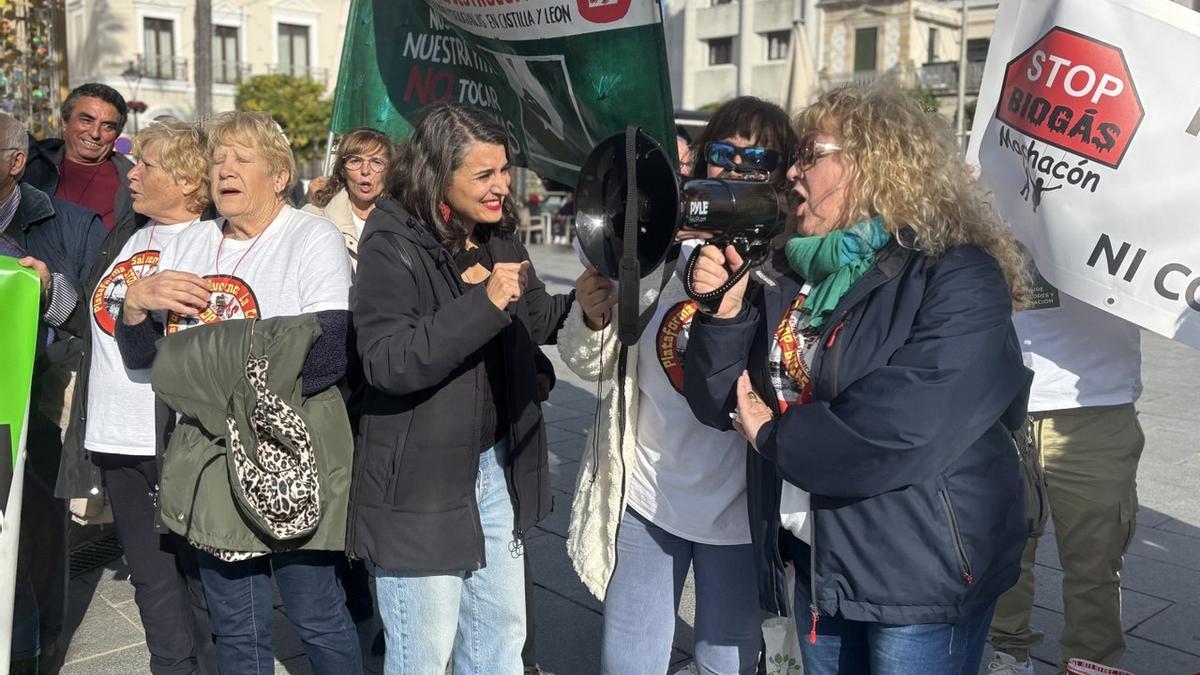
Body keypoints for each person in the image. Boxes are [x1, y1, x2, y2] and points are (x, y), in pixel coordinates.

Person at [683, 82, 1033, 674]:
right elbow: (719, 398)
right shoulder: (789, 266)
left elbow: (900, 424)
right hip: (818, 559)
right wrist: (725, 313)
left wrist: (774, 437)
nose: (793, 172)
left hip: (918, 573)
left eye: (809, 155)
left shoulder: (957, 274)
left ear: (874, 162)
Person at [559, 96, 796, 674]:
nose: (737, 169)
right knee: (629, 658)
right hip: (648, 496)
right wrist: (592, 318)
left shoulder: (788, 270)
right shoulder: (654, 253)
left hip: (740, 512)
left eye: (758, 158)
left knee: (726, 659)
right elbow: (587, 361)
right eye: (724, 153)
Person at [117, 110, 358, 675]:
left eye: (241, 159)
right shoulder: (190, 243)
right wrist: (134, 309)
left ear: (278, 175)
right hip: (209, 454)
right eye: (218, 158)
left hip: (291, 448)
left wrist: (208, 371)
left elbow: (327, 354)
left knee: (315, 610)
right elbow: (149, 361)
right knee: (235, 623)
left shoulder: (310, 235)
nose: (225, 169)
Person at [348, 103, 572, 675]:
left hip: (495, 465)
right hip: (419, 481)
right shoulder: (390, 239)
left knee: (500, 642)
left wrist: (585, 307)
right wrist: (485, 303)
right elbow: (387, 360)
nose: (501, 187)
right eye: (484, 175)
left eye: (504, 171)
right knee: (425, 651)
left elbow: (539, 317)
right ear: (437, 175)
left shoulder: (497, 235)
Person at [55, 120, 219, 675]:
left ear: (187, 177)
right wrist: (52, 290)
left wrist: (141, 307)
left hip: (173, 437)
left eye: (146, 163)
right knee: (151, 580)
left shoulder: (210, 242)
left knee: (196, 579)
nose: (133, 172)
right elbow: (92, 319)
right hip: (116, 435)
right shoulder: (130, 234)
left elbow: (202, 344)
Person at [0, 110, 106, 675]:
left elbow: (96, 319)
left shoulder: (73, 225)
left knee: (32, 536)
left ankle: (32, 650)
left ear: (17, 164)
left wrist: (48, 290)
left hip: (33, 406)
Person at [987, 296, 1144, 674]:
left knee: (1095, 556)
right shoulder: (997, 231)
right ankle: (1009, 655)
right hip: (1001, 400)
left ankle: (1090, 663)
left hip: (1095, 399)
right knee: (1002, 551)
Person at [24, 83, 138, 232]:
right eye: (86, 120)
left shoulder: (134, 183)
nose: (95, 133)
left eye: (107, 126)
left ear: (117, 134)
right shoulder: (30, 163)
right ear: (65, 122)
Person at [304, 127, 393, 270]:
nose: (365, 171)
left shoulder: (407, 221)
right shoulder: (314, 219)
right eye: (356, 161)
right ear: (342, 170)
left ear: (389, 171)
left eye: (376, 162)